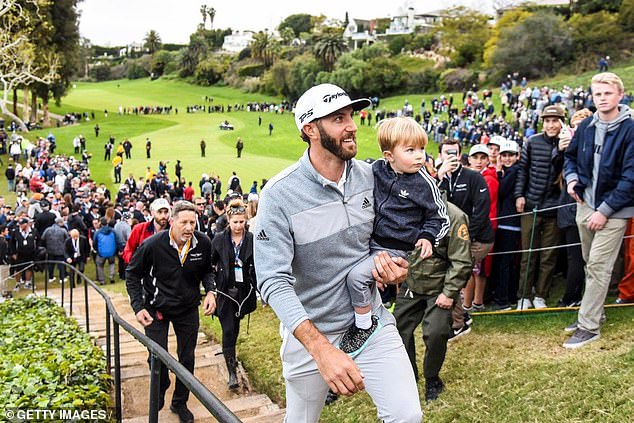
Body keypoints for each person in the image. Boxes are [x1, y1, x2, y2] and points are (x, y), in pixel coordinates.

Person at [254, 83, 421, 423]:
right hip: (310, 334)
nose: (352, 126)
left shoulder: (373, 176)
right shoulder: (279, 195)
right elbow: (272, 281)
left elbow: (390, 237)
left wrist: (398, 267)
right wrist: (319, 348)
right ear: (310, 129)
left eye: (351, 115)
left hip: (370, 322)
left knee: (408, 417)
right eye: (338, 118)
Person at [341, 117, 449, 355]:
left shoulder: (424, 184)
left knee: (356, 278)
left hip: (392, 249)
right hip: (370, 240)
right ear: (389, 156)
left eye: (421, 149)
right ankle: (356, 316)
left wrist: (428, 237)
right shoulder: (378, 170)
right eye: (410, 150)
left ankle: (363, 326)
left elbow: (440, 218)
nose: (420, 156)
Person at [126, 201, 216, 423]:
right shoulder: (152, 245)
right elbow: (132, 274)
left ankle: (180, 402)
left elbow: (208, 271)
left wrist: (212, 292)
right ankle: (160, 387)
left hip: (187, 310)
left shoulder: (203, 243)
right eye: (184, 222)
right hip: (157, 310)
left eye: (192, 223)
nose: (188, 228)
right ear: (172, 222)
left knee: (187, 358)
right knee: (158, 358)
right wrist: (138, 307)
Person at [563, 72, 634, 348]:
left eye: (607, 93)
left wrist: (604, 210)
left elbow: (630, 178)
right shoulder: (587, 125)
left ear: (620, 95)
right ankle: (594, 312)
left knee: (599, 266)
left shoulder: (630, 129)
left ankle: (588, 325)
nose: (602, 98)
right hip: (584, 204)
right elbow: (570, 158)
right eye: (597, 94)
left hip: (614, 209)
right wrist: (571, 181)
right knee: (589, 262)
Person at [394, 196, 471, 401]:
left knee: (436, 333)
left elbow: (462, 261)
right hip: (411, 284)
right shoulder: (406, 209)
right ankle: (408, 377)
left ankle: (432, 378)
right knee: (397, 331)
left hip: (440, 286)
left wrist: (449, 293)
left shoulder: (453, 215)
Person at [514, 105, 565, 310]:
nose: (551, 125)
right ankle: (524, 296)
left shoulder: (568, 143)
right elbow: (523, 171)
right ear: (542, 122)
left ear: (562, 122)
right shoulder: (532, 141)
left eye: (555, 120)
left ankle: (541, 295)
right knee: (528, 254)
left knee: (548, 255)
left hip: (555, 207)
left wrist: (562, 149)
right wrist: (519, 195)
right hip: (531, 205)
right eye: (547, 121)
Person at [210, 199, 257, 390]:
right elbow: (211, 263)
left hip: (243, 292)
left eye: (241, 222)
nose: (238, 226)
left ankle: (231, 355)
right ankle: (231, 372)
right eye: (235, 222)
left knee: (234, 328)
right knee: (228, 330)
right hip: (224, 292)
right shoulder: (219, 239)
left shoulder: (251, 239)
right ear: (228, 220)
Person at [123, 198, 170, 264]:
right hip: (143, 271)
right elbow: (128, 250)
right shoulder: (139, 228)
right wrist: (135, 261)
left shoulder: (173, 231)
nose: (163, 216)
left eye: (166, 212)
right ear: (152, 213)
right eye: (159, 212)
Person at [9, 217, 39, 289]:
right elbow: (11, 243)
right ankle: (18, 283)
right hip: (19, 253)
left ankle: (27, 282)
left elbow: (38, 240)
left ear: (27, 224)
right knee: (18, 268)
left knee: (29, 268)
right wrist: (13, 253)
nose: (21, 226)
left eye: (22, 224)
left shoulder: (34, 231)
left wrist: (36, 250)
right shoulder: (16, 231)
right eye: (20, 224)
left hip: (30, 253)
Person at [40, 217, 69, 284]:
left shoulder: (47, 229)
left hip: (50, 250)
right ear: (59, 223)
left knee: (51, 264)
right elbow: (67, 239)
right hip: (61, 250)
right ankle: (62, 278)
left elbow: (43, 238)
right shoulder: (63, 230)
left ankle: (51, 277)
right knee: (61, 265)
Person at [93, 217, 117, 285]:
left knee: (99, 265)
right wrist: (118, 249)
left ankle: (101, 280)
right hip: (111, 251)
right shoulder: (113, 231)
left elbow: (94, 242)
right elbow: (117, 240)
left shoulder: (98, 232)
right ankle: (111, 276)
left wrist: (96, 249)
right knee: (111, 263)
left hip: (101, 252)